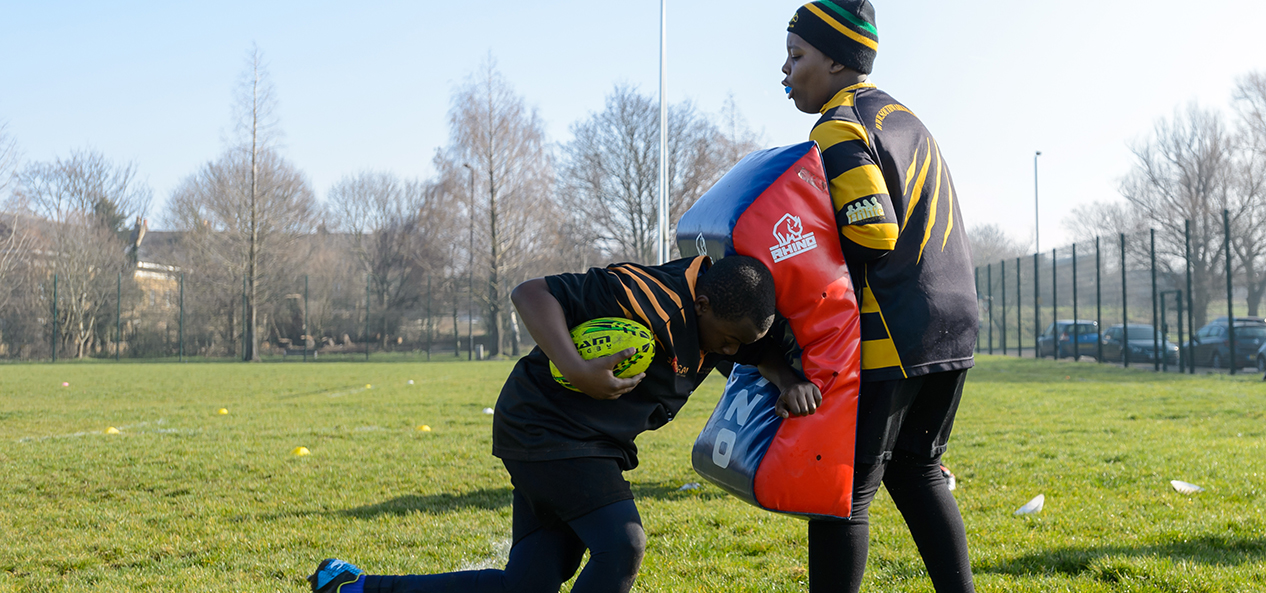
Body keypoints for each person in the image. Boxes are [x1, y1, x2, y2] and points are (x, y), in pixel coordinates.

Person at [307, 254, 778, 593]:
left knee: (529, 584)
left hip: (584, 438)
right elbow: (530, 292)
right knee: (623, 545)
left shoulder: (722, 319)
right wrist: (576, 368)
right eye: (731, 341)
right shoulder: (643, 295)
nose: (733, 354)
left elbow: (755, 347)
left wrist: (787, 377)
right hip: (548, 426)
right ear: (703, 307)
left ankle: (353, 587)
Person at [772, 2, 980, 592]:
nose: (784, 72)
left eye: (796, 55)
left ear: (837, 61)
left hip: (892, 325)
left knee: (840, 490)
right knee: (916, 470)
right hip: (953, 320)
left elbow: (871, 230)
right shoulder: (903, 116)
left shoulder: (839, 124)